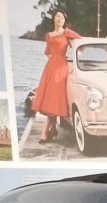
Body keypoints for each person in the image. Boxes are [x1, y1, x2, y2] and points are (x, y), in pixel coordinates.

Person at [31, 9, 80, 143]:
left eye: (62, 18)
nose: (59, 19)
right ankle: (52, 130)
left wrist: (78, 54)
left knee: (54, 98)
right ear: (54, 19)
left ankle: (45, 132)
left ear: (64, 21)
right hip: (50, 68)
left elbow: (80, 41)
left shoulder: (67, 32)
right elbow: (47, 52)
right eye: (57, 17)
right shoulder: (49, 35)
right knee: (50, 99)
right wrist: (53, 59)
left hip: (61, 68)